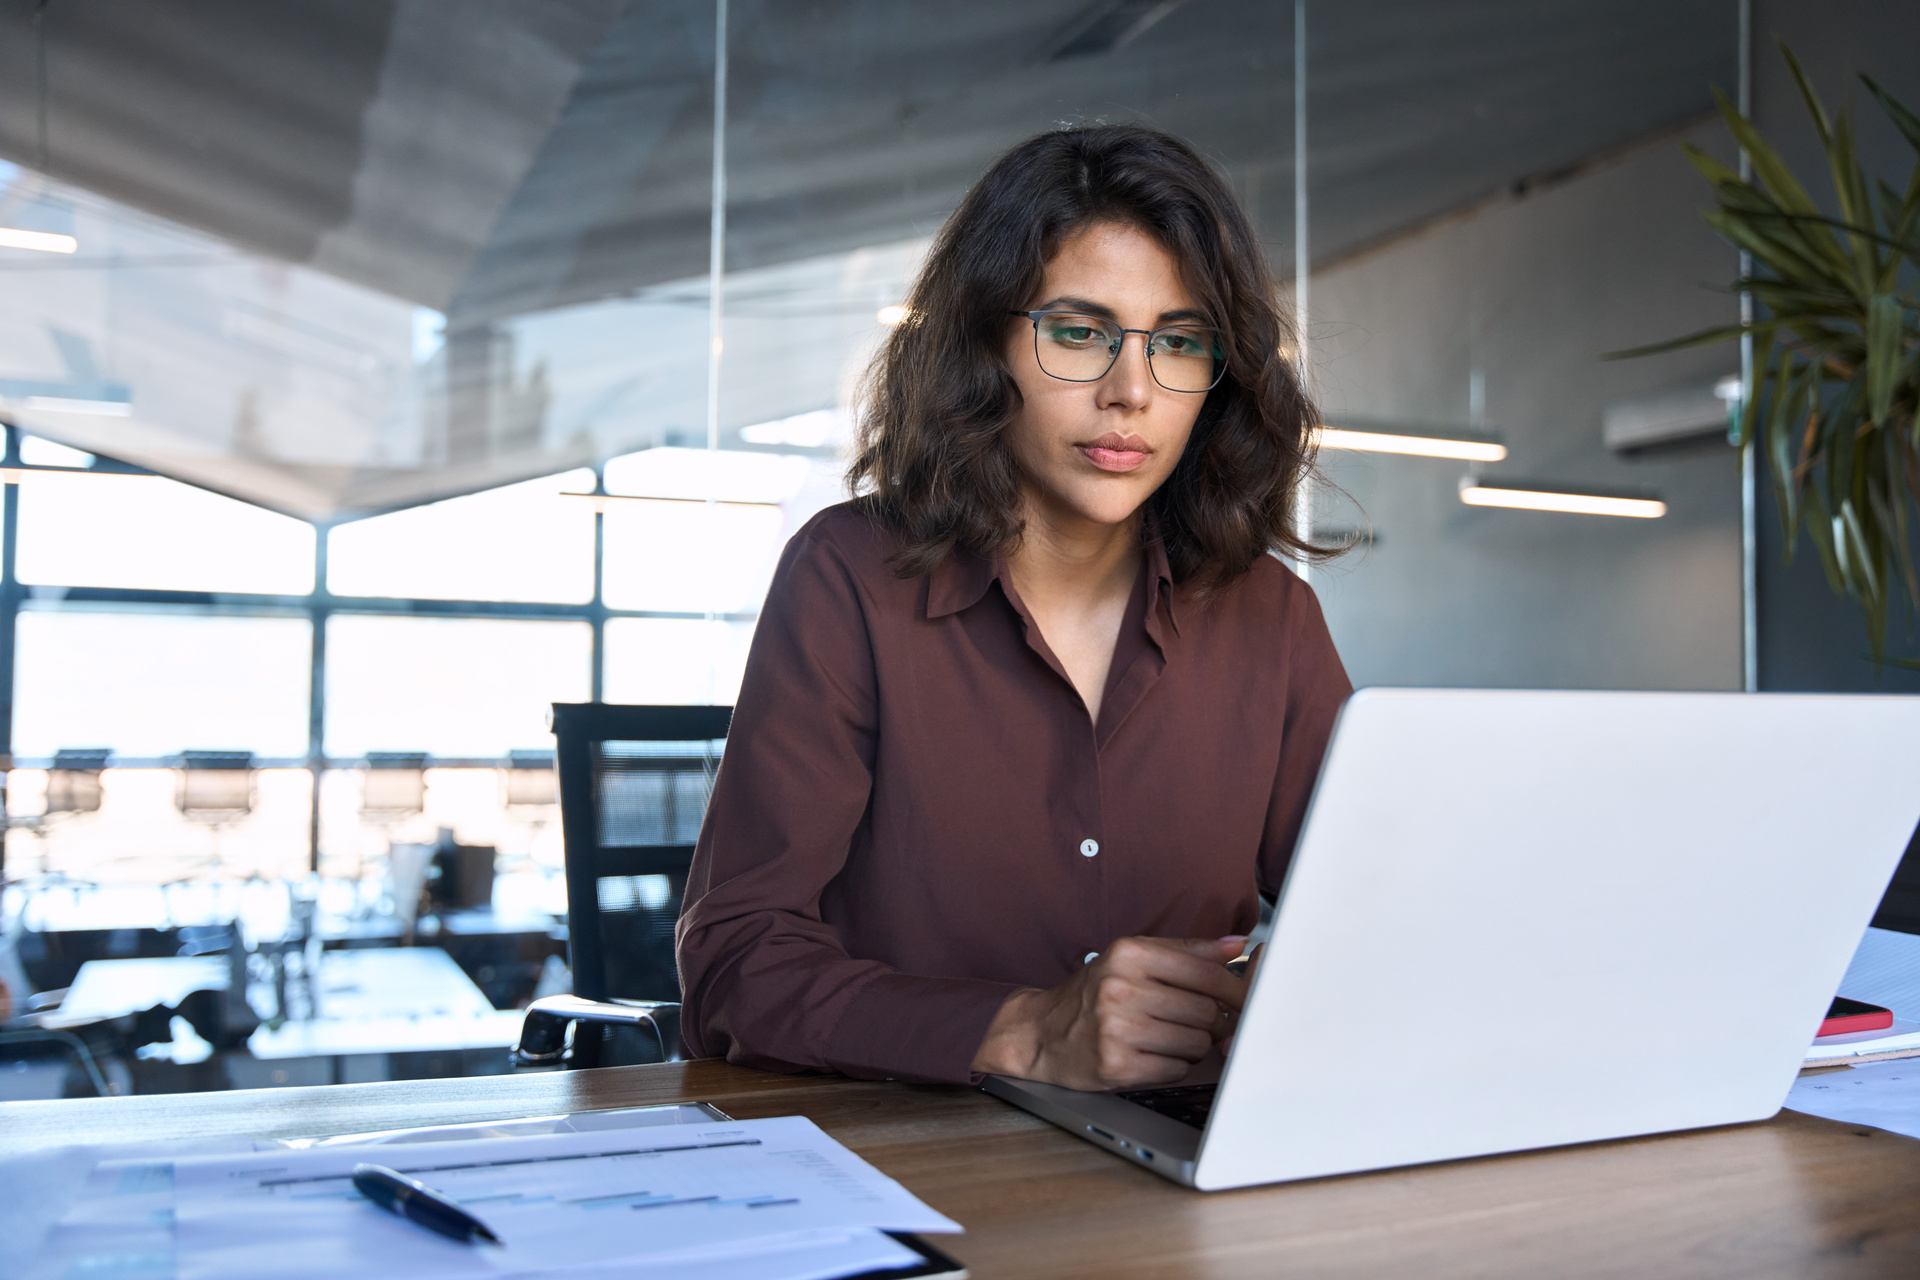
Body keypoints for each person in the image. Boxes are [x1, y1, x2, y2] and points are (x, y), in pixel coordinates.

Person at [676, 124, 1350, 1090]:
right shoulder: (850, 576)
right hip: (916, 1166)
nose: (1132, 392)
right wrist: (1028, 1031)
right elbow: (734, 967)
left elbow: (1374, 926)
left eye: (1180, 342)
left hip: (1187, 1173)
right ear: (987, 340)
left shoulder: (1270, 617)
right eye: (1079, 332)